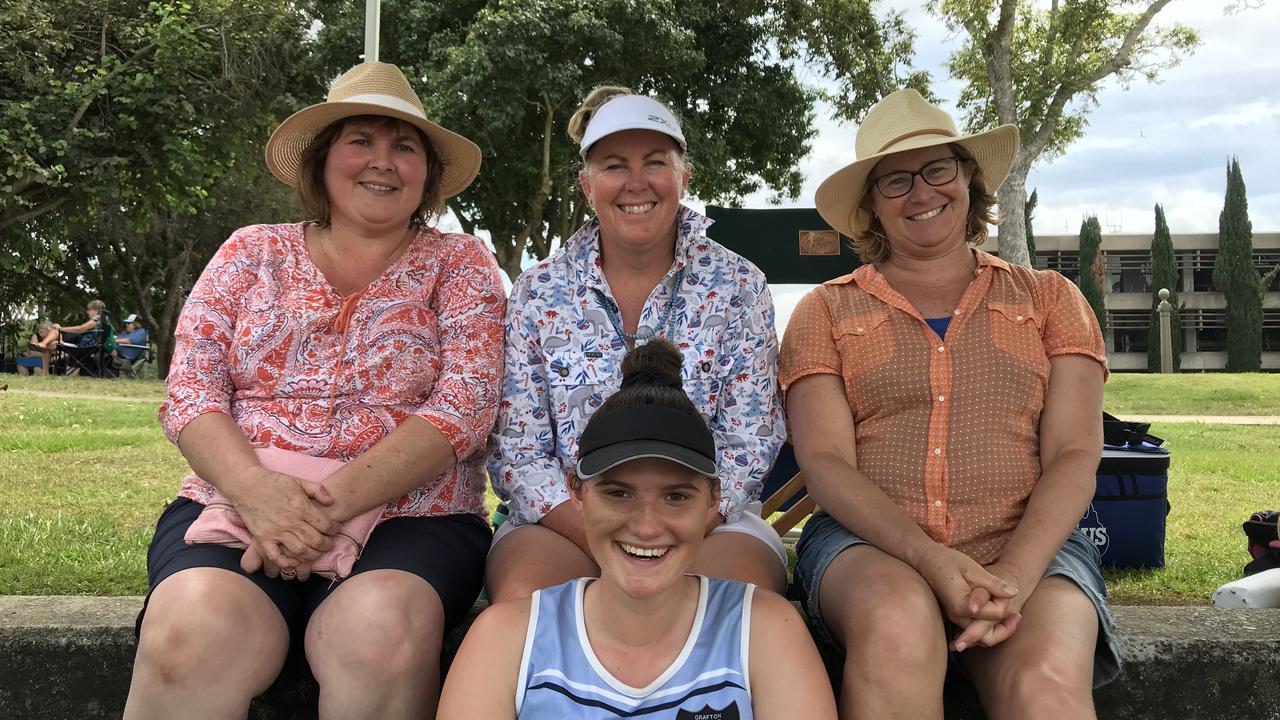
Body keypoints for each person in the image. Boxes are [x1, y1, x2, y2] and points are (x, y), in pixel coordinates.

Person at [123, 61, 505, 720]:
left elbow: (465, 404)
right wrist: (257, 493)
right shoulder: (249, 253)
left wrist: (318, 511)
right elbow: (191, 387)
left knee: (381, 633)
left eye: (403, 146)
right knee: (192, 631)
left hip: (410, 518)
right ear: (323, 162)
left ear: (427, 175)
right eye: (361, 140)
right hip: (240, 501)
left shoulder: (461, 264)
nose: (382, 162)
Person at [779, 89, 1121, 719]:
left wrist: (1013, 575)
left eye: (939, 169)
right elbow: (825, 462)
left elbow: (1075, 451)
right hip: (869, 549)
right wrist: (929, 558)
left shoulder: (1050, 299)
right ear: (870, 207)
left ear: (968, 178)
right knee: (896, 631)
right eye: (895, 181)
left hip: (1026, 547)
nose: (922, 192)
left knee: (1044, 685)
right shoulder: (824, 310)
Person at [486, 87, 788, 602]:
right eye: (613, 165)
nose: (635, 182)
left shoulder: (739, 285)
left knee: (732, 598)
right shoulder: (538, 291)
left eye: (655, 161)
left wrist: (675, 528)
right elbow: (519, 447)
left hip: (708, 524)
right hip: (565, 523)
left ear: (684, 176)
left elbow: (749, 440)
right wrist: (604, 535)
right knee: (530, 599)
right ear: (587, 185)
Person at [441, 339, 836, 720]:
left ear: (714, 499)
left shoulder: (766, 631)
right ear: (577, 492)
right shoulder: (506, 639)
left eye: (676, 497)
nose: (646, 526)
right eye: (618, 493)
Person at [56, 299, 109, 376]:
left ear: (97, 310)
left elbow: (81, 328)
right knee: (53, 339)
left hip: (85, 347)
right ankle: (44, 344)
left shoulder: (96, 320)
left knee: (55, 333)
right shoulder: (104, 320)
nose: (87, 312)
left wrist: (61, 329)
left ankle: (43, 345)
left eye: (89, 310)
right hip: (91, 346)